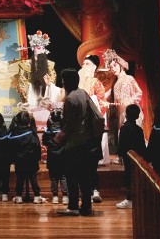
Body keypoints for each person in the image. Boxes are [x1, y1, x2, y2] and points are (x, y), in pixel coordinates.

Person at [56, 68, 102, 217]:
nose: (62, 83)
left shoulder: (70, 99)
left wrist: (59, 137)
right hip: (86, 141)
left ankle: (73, 206)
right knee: (84, 176)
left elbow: (70, 125)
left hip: (74, 142)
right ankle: (86, 206)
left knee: (71, 176)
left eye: (63, 81)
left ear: (66, 82)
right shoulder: (82, 93)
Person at [104, 48, 144, 154]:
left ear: (121, 65)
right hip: (121, 112)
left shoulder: (129, 78)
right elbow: (105, 95)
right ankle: (124, 157)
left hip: (131, 111)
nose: (113, 68)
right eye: (111, 67)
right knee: (123, 136)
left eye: (115, 65)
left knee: (133, 136)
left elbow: (139, 92)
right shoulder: (115, 83)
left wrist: (130, 101)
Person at [79, 54, 106, 202]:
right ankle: (85, 191)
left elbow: (102, 102)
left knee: (92, 165)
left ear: (94, 67)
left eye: (87, 64)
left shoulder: (96, 82)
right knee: (82, 164)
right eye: (83, 64)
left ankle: (95, 190)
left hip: (92, 127)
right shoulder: (77, 83)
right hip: (80, 129)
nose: (84, 66)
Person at [7, 109, 43, 203]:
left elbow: (10, 147)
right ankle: (36, 196)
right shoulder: (32, 133)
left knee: (20, 178)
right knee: (33, 178)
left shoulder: (13, 133)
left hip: (19, 160)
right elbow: (37, 146)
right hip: (31, 160)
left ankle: (18, 196)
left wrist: (12, 159)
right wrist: (37, 158)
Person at [116, 104, 146, 209]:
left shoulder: (124, 128)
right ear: (137, 116)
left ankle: (129, 199)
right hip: (137, 157)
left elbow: (122, 143)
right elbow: (142, 145)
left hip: (127, 157)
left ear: (126, 115)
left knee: (128, 177)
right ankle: (137, 198)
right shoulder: (139, 129)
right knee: (136, 177)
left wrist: (120, 155)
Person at [15, 30, 56, 108]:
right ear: (33, 48)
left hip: (46, 96)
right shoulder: (25, 65)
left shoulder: (50, 65)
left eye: (42, 48)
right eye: (38, 47)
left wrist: (47, 85)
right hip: (31, 96)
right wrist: (32, 91)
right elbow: (22, 84)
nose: (40, 49)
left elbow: (53, 81)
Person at [42, 109, 68, 204]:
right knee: (64, 176)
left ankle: (55, 197)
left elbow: (45, 142)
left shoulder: (48, 131)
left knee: (53, 177)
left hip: (52, 157)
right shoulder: (64, 130)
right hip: (63, 156)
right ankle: (65, 196)